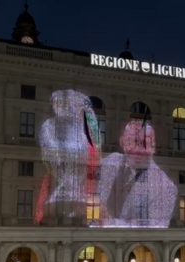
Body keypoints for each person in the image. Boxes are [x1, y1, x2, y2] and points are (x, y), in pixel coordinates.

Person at [37, 89, 101, 224]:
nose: (64, 108)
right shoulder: (49, 125)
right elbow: (52, 155)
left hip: (76, 189)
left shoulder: (80, 128)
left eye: (68, 104)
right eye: (58, 104)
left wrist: (89, 113)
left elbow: (93, 145)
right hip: (62, 189)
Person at [100, 119, 177, 228]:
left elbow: (156, 229)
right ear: (122, 142)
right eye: (132, 141)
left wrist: (110, 223)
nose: (138, 150)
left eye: (145, 144)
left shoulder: (166, 187)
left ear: (153, 147)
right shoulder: (110, 162)